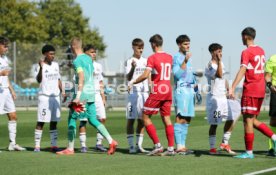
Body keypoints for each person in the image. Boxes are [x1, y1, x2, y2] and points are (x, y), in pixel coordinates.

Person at [56, 37, 117, 155]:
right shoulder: (89, 59)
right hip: (91, 94)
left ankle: (70, 148)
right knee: (93, 120)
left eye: (70, 47)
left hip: (82, 94)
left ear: (73, 46)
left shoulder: (77, 61)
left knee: (72, 119)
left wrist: (78, 96)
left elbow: (81, 76)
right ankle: (111, 141)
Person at [230, 27, 276, 159]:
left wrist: (232, 87)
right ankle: (274, 137)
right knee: (252, 119)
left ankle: (249, 152)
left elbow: (243, 70)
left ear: (245, 36)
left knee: (247, 121)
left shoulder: (246, 52)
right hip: (261, 89)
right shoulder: (261, 50)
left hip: (251, 88)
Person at [128, 34, 174, 156]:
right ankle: (170, 148)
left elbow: (144, 75)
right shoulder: (169, 57)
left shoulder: (152, 57)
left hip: (158, 90)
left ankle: (158, 145)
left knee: (145, 117)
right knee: (167, 118)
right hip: (168, 90)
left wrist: (132, 82)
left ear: (153, 44)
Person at [205, 43, 238, 155]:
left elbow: (223, 78)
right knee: (215, 123)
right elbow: (218, 75)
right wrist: (219, 61)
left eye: (221, 51)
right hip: (215, 100)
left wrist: (230, 91)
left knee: (232, 117)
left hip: (223, 98)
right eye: (218, 51)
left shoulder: (221, 63)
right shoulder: (210, 65)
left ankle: (224, 143)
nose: (220, 53)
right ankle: (212, 148)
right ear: (212, 52)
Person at [34, 44, 65, 152]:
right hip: (44, 97)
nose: (53, 56)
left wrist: (63, 92)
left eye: (53, 54)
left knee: (54, 122)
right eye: (51, 54)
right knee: (41, 121)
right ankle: (37, 146)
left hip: (55, 97)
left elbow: (58, 79)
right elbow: (38, 80)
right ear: (45, 54)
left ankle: (54, 145)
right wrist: (41, 68)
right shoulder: (39, 66)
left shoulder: (56, 65)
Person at [77, 44, 108, 153]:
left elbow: (100, 82)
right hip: (85, 95)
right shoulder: (81, 64)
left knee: (102, 119)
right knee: (83, 120)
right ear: (85, 53)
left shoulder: (98, 66)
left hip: (97, 95)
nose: (94, 54)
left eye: (95, 52)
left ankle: (99, 143)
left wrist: (103, 97)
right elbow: (78, 81)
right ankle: (83, 145)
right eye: (91, 52)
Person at [0, 36, 25, 151]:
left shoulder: (4, 59)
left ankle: (12, 143)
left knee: (13, 115)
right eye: (4, 46)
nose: (6, 48)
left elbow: (6, 76)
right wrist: (1, 73)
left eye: (7, 46)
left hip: (5, 91)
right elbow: (2, 73)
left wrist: (12, 90)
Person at [172, 35, 196, 155]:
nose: (188, 46)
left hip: (190, 90)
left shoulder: (189, 58)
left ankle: (183, 146)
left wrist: (195, 86)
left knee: (187, 118)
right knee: (180, 117)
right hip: (181, 90)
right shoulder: (176, 57)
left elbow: (191, 74)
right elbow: (177, 75)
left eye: (188, 43)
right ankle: (178, 146)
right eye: (185, 44)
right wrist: (185, 61)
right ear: (179, 45)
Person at [125, 38, 149, 154]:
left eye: (142, 47)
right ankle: (131, 146)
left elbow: (149, 75)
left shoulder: (146, 60)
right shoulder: (130, 61)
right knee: (131, 120)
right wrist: (134, 67)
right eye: (138, 47)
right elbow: (128, 78)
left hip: (144, 94)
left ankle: (139, 145)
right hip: (133, 94)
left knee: (142, 120)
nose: (141, 49)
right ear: (133, 47)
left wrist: (151, 88)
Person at [265, 54, 276, 157]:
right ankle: (272, 148)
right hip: (275, 91)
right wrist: (270, 86)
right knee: (273, 121)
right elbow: (267, 76)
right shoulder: (273, 59)